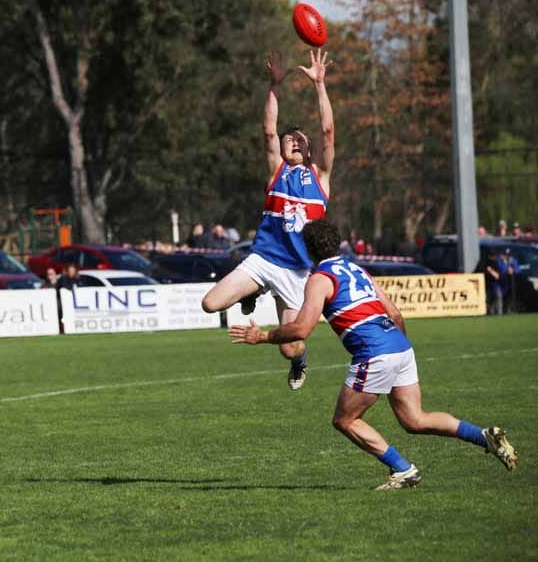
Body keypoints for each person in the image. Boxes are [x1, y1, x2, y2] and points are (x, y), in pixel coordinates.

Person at [228, 219, 518, 489]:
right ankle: (482, 436)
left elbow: (301, 329)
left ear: (308, 249)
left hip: (374, 353)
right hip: (400, 345)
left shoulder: (319, 279)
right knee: (415, 419)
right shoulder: (357, 270)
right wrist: (399, 350)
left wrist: (263, 336)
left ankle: (403, 470)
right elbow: (393, 312)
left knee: (345, 420)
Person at [202, 48, 335, 391]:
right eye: (289, 137)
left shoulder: (320, 176)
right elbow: (267, 130)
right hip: (264, 259)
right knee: (210, 303)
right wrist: (274, 85)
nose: (293, 139)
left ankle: (299, 363)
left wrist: (320, 84)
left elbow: (328, 130)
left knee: (291, 346)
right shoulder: (277, 171)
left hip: (300, 272)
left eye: (300, 139)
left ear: (309, 150)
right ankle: (258, 287)